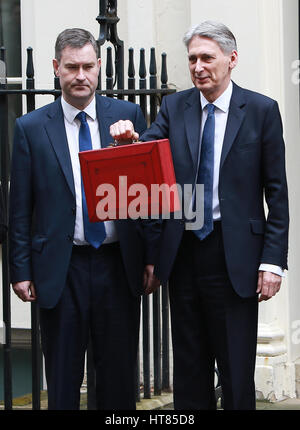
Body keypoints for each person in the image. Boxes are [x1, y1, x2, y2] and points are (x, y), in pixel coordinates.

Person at [110, 21, 289, 410]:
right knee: (189, 373)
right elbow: (150, 149)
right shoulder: (175, 107)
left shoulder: (261, 111)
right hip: (186, 254)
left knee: (235, 372)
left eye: (207, 57)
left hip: (236, 255)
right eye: (192, 58)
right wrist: (130, 140)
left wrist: (273, 262)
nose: (198, 66)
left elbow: (277, 192)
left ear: (232, 59)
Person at [8, 28, 156, 410]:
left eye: (88, 66)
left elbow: (147, 197)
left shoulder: (127, 117)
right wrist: (20, 270)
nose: (81, 76)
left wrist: (151, 256)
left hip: (116, 265)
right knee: (62, 379)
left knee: (118, 379)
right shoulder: (30, 128)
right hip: (61, 267)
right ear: (56, 68)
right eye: (71, 67)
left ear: (100, 66)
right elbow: (20, 207)